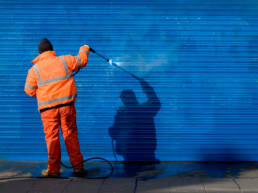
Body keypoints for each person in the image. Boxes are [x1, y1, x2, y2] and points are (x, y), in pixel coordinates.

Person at [24, 38, 90, 177]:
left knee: (52, 138)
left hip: (48, 110)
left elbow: (29, 91)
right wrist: (84, 48)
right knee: (70, 135)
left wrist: (44, 92)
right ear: (51, 50)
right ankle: (78, 168)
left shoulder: (34, 70)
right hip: (67, 107)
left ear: (39, 52)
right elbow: (81, 60)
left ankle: (53, 170)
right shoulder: (64, 60)